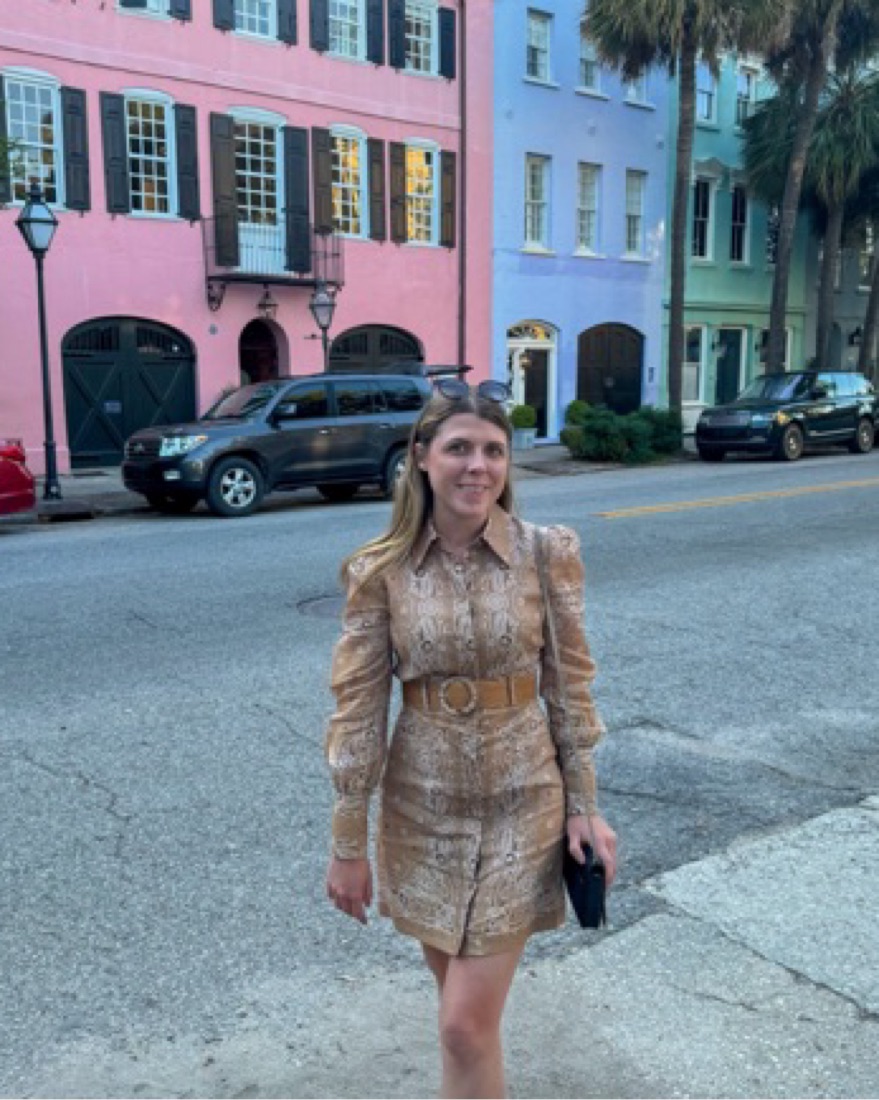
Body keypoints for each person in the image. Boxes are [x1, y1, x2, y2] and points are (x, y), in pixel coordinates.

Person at [325, 380, 617, 1099]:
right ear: (422, 457)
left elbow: (569, 685)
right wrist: (347, 842)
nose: (478, 466)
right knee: (464, 1025)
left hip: (525, 800)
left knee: (462, 1024)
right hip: (422, 809)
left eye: (494, 451)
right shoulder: (379, 570)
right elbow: (357, 708)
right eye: (459, 448)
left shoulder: (545, 553)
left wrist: (586, 806)